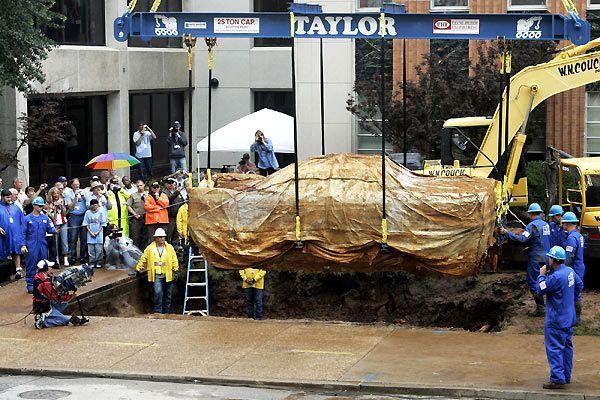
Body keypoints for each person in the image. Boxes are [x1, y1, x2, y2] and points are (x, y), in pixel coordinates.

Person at [537, 246, 583, 390]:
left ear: (552, 259)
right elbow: (579, 284)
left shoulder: (555, 277)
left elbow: (540, 289)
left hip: (556, 320)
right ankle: (566, 375)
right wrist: (571, 299)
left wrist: (541, 275)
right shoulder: (570, 271)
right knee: (567, 347)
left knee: (555, 348)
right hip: (569, 318)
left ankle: (557, 379)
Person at [502, 202, 551, 316]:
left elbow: (522, 239)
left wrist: (507, 233)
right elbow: (543, 240)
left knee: (533, 282)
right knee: (545, 280)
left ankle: (541, 308)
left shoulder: (532, 226)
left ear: (531, 214)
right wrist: (530, 248)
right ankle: (549, 306)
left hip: (536, 259)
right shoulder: (546, 225)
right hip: (546, 257)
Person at [32, 259, 87, 329]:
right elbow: (56, 298)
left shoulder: (38, 275)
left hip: (39, 304)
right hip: (45, 307)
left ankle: (44, 315)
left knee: (64, 303)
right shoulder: (45, 282)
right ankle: (44, 322)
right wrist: (70, 297)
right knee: (65, 321)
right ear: (46, 268)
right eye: (50, 267)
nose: (51, 268)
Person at [135, 227, 179, 314]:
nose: (161, 239)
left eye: (163, 237)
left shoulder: (169, 248)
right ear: (156, 238)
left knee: (168, 295)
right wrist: (138, 268)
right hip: (157, 274)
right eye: (159, 237)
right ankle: (158, 311)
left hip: (168, 274)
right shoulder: (150, 248)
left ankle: (166, 312)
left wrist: (175, 269)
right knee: (158, 293)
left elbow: (174, 259)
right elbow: (144, 258)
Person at [22, 197, 55, 293]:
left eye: (42, 205)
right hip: (31, 245)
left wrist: (54, 230)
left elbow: (50, 229)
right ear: (34, 205)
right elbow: (23, 233)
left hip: (42, 244)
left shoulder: (45, 218)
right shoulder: (27, 219)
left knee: (43, 264)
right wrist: (23, 245)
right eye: (39, 205)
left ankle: (43, 283)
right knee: (31, 264)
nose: (41, 207)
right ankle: (30, 284)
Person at [562, 212, 585, 316]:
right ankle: (575, 316)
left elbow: (569, 257)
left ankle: (576, 317)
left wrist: (561, 268)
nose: (562, 225)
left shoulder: (571, 238)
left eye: (564, 223)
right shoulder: (578, 235)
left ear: (567, 223)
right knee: (576, 292)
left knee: (574, 294)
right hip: (580, 267)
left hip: (574, 268)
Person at [0, 189, 25, 278]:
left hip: (15, 234)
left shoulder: (16, 207)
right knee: (2, 252)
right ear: (2, 197)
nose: (9, 199)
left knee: (16, 251)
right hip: (2, 236)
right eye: (7, 197)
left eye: (10, 197)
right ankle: (3, 275)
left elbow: (22, 221)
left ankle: (18, 270)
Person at [64, 178, 87, 265]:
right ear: (72, 185)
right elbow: (70, 207)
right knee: (73, 237)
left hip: (83, 216)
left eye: (78, 184)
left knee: (84, 238)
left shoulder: (83, 191)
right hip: (74, 216)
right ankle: (72, 257)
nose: (77, 185)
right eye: (75, 184)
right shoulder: (67, 193)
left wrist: (84, 197)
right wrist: (76, 197)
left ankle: (83, 257)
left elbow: (88, 202)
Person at [46, 187, 69, 266]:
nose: (56, 195)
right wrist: (54, 208)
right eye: (54, 193)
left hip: (63, 222)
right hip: (54, 224)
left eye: (57, 193)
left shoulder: (62, 200)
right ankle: (56, 259)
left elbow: (65, 214)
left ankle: (66, 258)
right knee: (55, 242)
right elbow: (51, 216)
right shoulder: (49, 204)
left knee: (64, 240)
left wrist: (62, 206)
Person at [83, 199, 107, 268]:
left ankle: (99, 262)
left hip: (99, 233)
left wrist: (97, 232)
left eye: (96, 205)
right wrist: (90, 232)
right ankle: (92, 262)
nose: (94, 207)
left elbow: (103, 224)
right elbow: (86, 223)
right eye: (93, 205)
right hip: (90, 232)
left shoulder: (101, 212)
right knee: (91, 249)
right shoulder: (87, 213)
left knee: (99, 248)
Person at [127, 180, 147, 250]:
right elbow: (128, 205)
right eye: (138, 186)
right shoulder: (133, 195)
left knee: (145, 237)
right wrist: (134, 214)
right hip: (137, 218)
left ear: (144, 185)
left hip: (147, 218)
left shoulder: (148, 195)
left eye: (141, 185)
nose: (139, 187)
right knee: (135, 237)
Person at [163, 177, 183, 244]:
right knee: (168, 235)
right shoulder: (164, 192)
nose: (171, 184)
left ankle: (176, 250)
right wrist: (177, 192)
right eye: (169, 183)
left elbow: (182, 201)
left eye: (172, 183)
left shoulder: (178, 192)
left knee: (176, 235)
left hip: (178, 217)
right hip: (170, 217)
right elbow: (169, 199)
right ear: (165, 184)